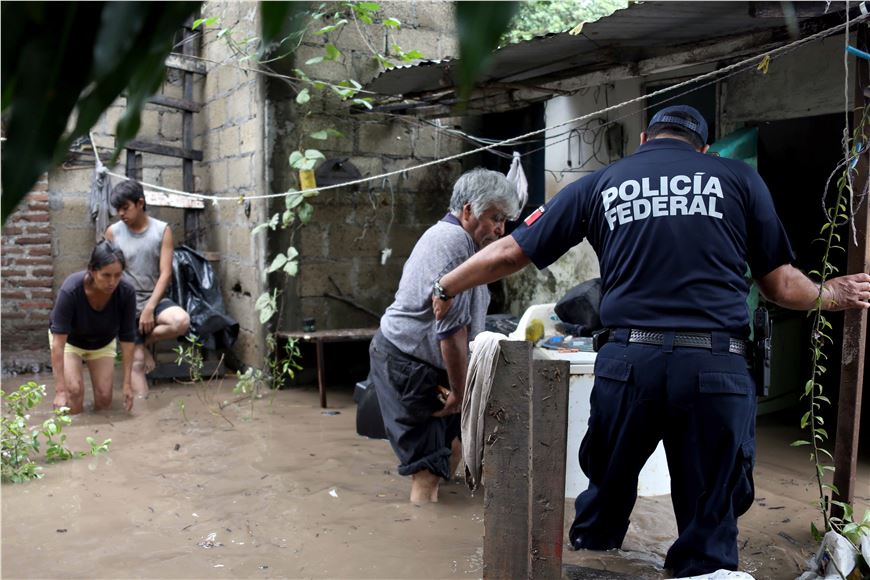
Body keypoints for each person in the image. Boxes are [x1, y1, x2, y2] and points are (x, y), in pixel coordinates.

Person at [432, 105, 870, 577]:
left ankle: (591, 556)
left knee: (604, 494)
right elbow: (782, 287)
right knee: (708, 518)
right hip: (715, 369)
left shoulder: (602, 182)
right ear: (702, 147)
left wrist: (446, 286)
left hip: (627, 365)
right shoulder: (739, 179)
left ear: (644, 139)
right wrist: (833, 293)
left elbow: (512, 250)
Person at [370, 168, 520, 504]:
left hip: (423, 359)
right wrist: (459, 391)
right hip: (409, 361)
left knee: (454, 447)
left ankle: (445, 517)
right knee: (428, 471)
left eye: (505, 220)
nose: (501, 229)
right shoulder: (454, 245)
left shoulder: (464, 243)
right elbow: (452, 332)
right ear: (468, 210)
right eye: (495, 217)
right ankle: (425, 539)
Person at [105, 180, 190, 397]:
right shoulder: (113, 232)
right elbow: (109, 273)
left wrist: (150, 308)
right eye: (118, 210)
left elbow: (166, 274)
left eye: (126, 208)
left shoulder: (162, 230)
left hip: (154, 297)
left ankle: (141, 340)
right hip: (125, 302)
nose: (121, 214)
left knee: (181, 321)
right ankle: (144, 414)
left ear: (140, 203)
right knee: (137, 365)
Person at [49, 240, 137, 414]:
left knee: (105, 399)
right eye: (106, 275)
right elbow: (58, 345)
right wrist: (60, 391)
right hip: (70, 343)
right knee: (73, 393)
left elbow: (128, 339)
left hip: (102, 342)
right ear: (92, 270)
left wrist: (127, 384)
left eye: (118, 275)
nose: (112, 282)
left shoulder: (126, 292)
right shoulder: (71, 290)